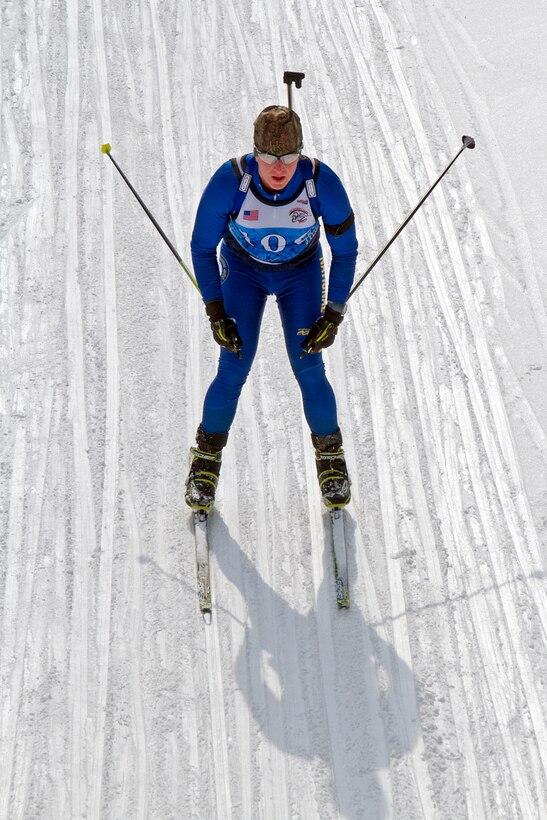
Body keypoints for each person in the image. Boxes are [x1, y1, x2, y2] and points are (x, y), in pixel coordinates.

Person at [186, 105, 358, 512]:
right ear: (254, 152)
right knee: (233, 366)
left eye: (288, 158)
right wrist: (215, 309)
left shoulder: (320, 183)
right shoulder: (230, 183)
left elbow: (346, 250)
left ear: (301, 152)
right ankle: (205, 460)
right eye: (267, 158)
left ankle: (330, 459)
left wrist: (333, 311)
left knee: (309, 367)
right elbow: (202, 247)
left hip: (299, 275)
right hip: (244, 273)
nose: (278, 168)